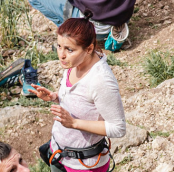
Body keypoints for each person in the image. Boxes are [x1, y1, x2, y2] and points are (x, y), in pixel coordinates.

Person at [29, 18, 125, 172]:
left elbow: (118, 128)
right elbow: (81, 100)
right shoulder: (74, 63)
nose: (61, 55)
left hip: (85, 165)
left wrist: (74, 123)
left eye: (69, 49)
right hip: (58, 153)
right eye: (59, 46)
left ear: (89, 49)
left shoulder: (101, 81)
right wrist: (55, 97)